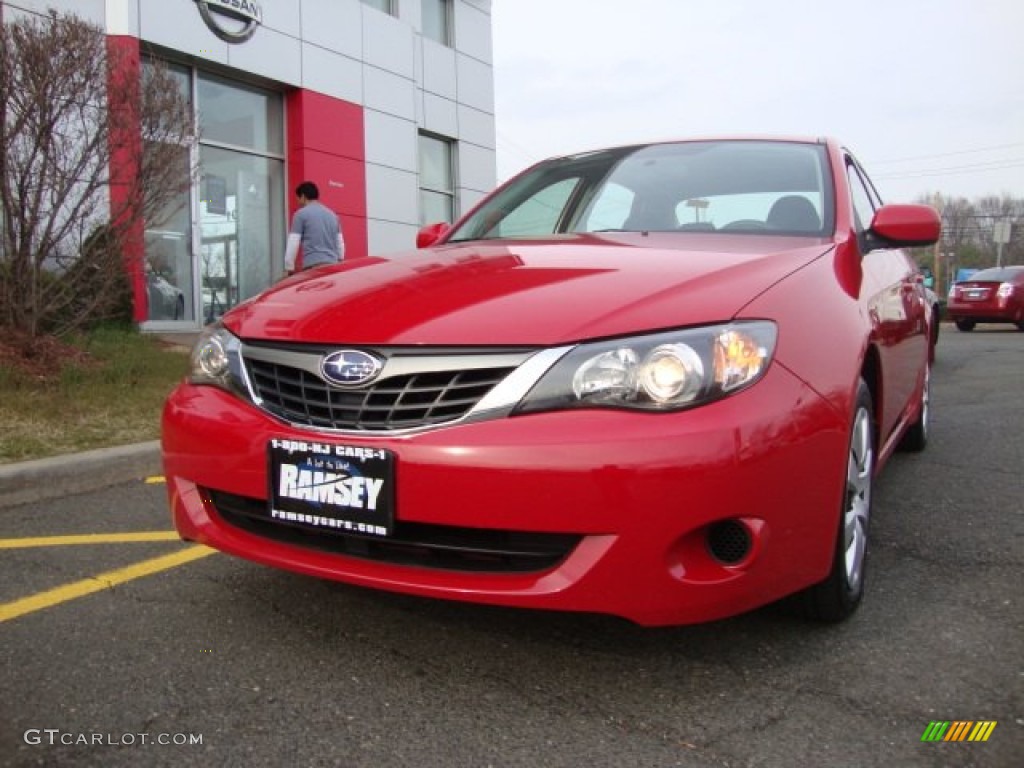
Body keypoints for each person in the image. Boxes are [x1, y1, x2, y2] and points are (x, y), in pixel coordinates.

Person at [283, 181, 344, 276]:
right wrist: (339, 259)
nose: (298, 202)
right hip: (333, 268)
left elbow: (293, 242)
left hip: (313, 267)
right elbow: (340, 245)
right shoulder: (333, 215)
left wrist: (289, 267)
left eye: (298, 198)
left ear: (303, 196)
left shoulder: (300, 214)